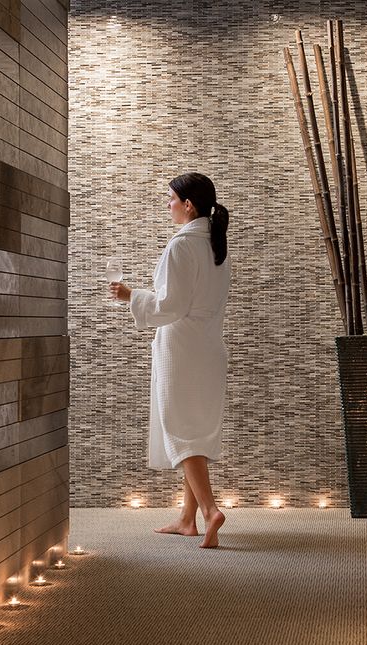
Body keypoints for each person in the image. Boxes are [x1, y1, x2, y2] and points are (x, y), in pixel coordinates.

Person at [109, 172, 231, 549]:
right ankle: (186, 519)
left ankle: (211, 511)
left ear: (188, 205)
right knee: (195, 428)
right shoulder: (214, 245)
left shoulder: (181, 247)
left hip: (183, 349)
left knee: (181, 429)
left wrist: (131, 295)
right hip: (209, 347)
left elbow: (170, 306)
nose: (168, 205)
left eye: (171, 199)